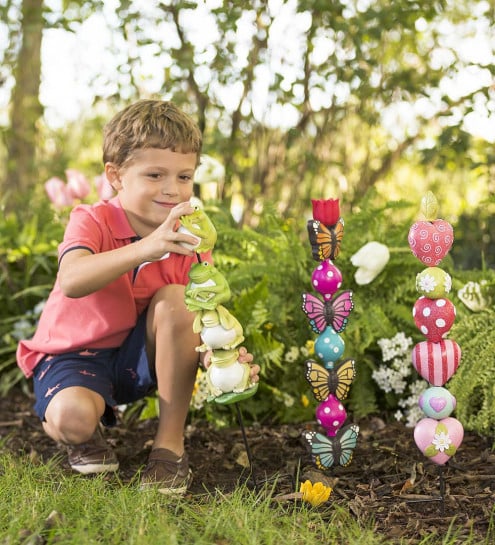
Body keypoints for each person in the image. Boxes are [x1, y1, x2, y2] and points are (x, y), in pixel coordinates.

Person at [16, 99, 259, 495]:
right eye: (155, 174)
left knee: (179, 299)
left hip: (139, 358)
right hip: (75, 355)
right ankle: (76, 429)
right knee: (73, 418)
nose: (172, 189)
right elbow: (73, 279)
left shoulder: (189, 238)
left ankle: (169, 447)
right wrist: (147, 247)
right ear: (115, 175)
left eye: (184, 177)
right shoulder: (91, 219)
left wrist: (223, 361)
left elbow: (197, 319)